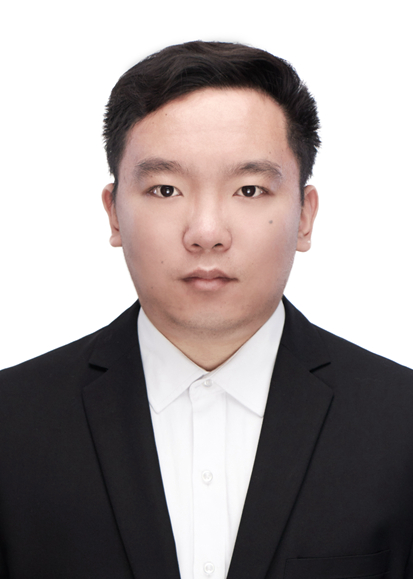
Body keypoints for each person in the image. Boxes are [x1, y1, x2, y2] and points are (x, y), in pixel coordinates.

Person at [0, 41, 412, 579]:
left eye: (249, 189)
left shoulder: (401, 423)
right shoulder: (12, 423)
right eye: (166, 189)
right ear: (114, 213)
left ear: (305, 216)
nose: (207, 233)